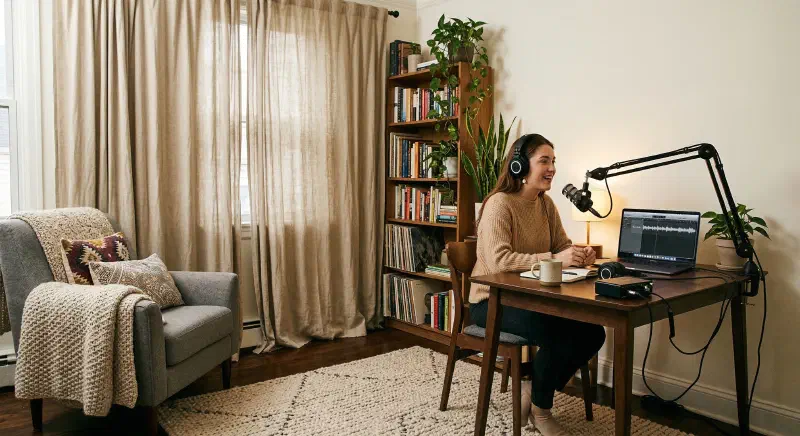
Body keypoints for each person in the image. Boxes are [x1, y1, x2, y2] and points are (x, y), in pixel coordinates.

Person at [469, 133, 605, 436]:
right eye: (544, 160)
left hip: (534, 300)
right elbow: (499, 262)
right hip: (491, 303)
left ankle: (532, 386)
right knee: (560, 333)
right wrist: (556, 257)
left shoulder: (546, 205)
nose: (552, 168)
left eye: (553, 161)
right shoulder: (498, 205)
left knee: (593, 332)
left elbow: (562, 246)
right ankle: (542, 413)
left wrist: (580, 254)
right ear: (519, 165)